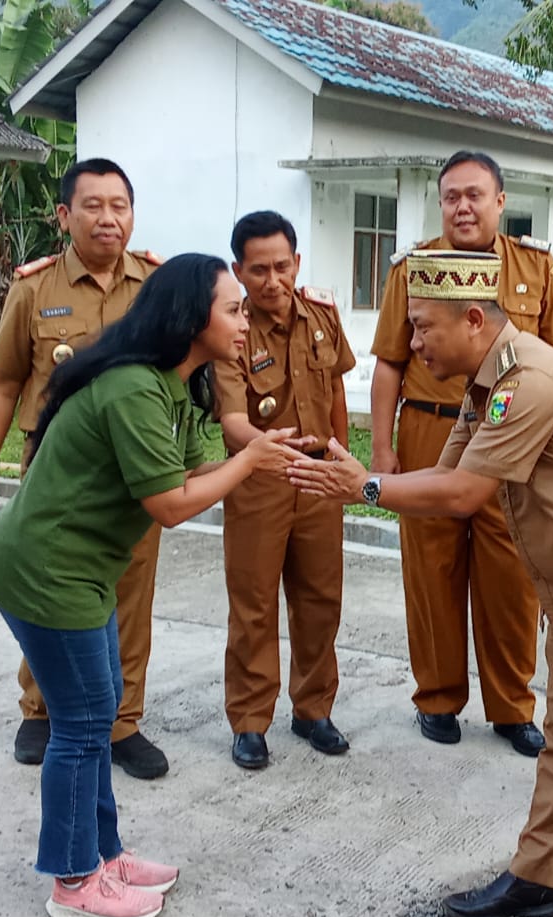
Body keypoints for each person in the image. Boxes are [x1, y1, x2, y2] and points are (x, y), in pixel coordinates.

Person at [290, 251, 553, 917]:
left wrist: (364, 488)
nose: (415, 343)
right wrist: (368, 478)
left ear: (475, 319)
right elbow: (446, 476)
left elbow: (463, 495)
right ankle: (540, 875)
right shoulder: (490, 383)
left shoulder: (532, 379)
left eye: (424, 328)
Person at [0, 254, 301, 917]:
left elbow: (190, 466)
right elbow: (170, 504)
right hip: (45, 570)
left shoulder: (177, 385)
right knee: (84, 722)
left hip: (80, 570)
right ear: (188, 316)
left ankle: (102, 852)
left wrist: (269, 456)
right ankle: (73, 879)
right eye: (232, 308)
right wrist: (249, 462)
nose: (244, 319)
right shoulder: (132, 388)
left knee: (97, 710)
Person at [0, 158, 171, 779]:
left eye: (120, 205)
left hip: (135, 471)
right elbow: (5, 387)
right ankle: (40, 708)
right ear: (64, 216)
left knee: (130, 594)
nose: (109, 218)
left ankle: (121, 722)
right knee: (47, 588)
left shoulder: (158, 286)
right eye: (93, 205)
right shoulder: (34, 289)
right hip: (53, 469)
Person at [370, 150, 553, 755]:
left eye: (475, 195)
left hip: (511, 434)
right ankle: (436, 697)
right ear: (441, 203)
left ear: (500, 202)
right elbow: (388, 363)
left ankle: (513, 707)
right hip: (431, 429)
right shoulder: (413, 268)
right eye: (452, 196)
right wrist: (382, 450)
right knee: (431, 570)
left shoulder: (535, 266)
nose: (463, 206)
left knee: (512, 573)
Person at [214, 211, 355, 770]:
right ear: (238, 271)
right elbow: (231, 421)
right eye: (258, 270)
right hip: (260, 484)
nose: (272, 280)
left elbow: (338, 389)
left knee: (320, 601)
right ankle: (250, 721)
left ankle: (313, 709)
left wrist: (343, 457)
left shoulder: (322, 315)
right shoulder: (232, 330)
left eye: (281, 266)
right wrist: (267, 451)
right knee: (253, 606)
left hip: (320, 482)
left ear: (296, 263)